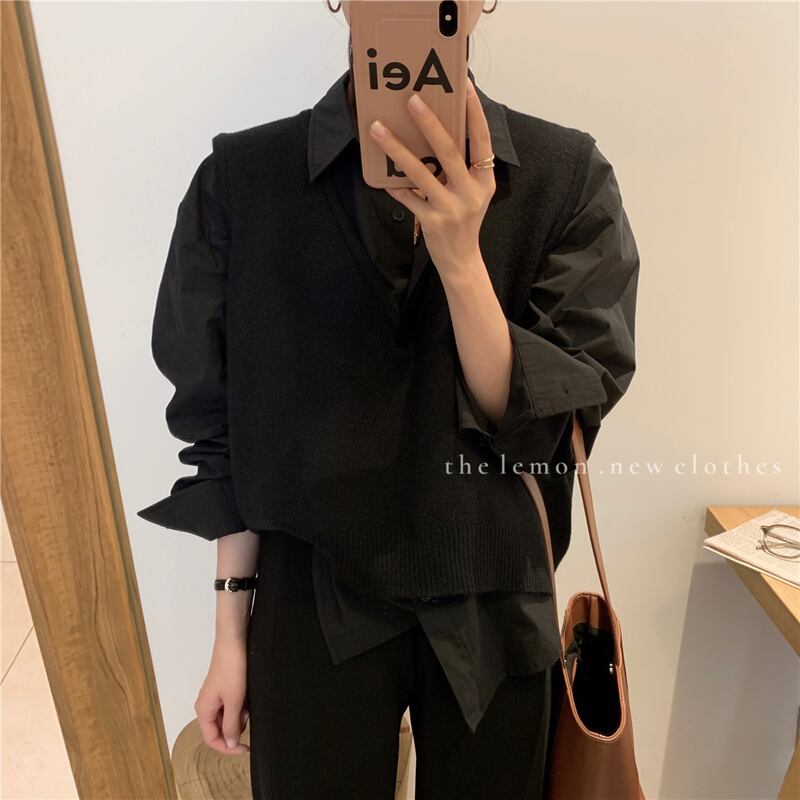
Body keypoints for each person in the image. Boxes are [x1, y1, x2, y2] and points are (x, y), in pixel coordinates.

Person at [137, 11, 639, 800]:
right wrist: (230, 631)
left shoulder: (563, 178)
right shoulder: (244, 182)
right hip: (311, 592)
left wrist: (462, 260)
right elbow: (223, 425)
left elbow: (546, 425)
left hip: (496, 594)